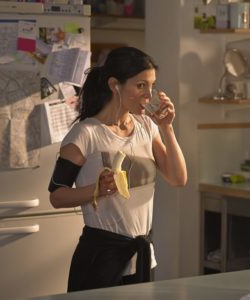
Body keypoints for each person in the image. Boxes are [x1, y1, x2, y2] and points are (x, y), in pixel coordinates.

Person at [48, 46, 187, 292]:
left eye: (152, 86)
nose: (149, 95)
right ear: (115, 85)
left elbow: (178, 178)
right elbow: (57, 196)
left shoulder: (147, 126)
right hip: (100, 258)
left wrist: (167, 128)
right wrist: (97, 190)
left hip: (142, 255)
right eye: (141, 86)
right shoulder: (85, 134)